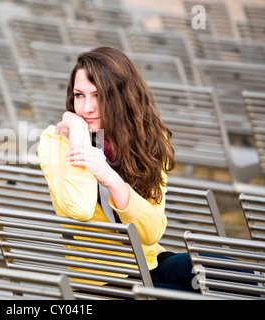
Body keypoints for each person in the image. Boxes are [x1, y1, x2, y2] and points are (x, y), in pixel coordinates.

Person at [37, 46, 200, 292]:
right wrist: (79, 135)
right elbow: (78, 209)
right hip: (103, 280)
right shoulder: (56, 141)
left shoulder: (150, 141)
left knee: (229, 272)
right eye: (79, 95)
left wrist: (111, 178)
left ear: (122, 97)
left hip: (148, 262)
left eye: (98, 95)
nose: (87, 108)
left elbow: (151, 233)